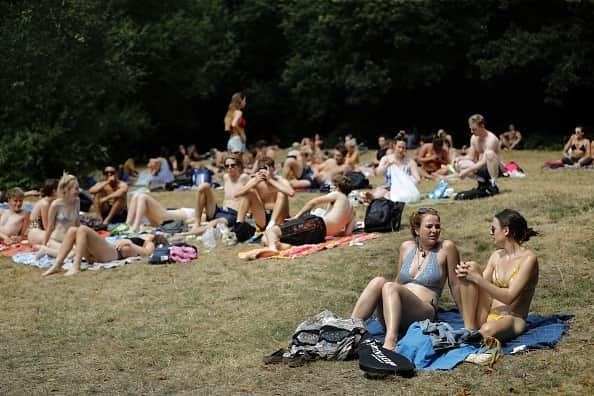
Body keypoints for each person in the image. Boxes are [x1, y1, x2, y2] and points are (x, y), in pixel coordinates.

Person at [351, 208, 461, 351]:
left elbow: (455, 284)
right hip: (395, 316)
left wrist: (465, 315)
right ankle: (349, 328)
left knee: (390, 287)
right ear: (417, 230)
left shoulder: (446, 248)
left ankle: (391, 341)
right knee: (378, 281)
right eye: (429, 226)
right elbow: (398, 281)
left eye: (437, 226)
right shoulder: (406, 247)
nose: (435, 230)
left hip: (423, 313)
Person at [456, 209, 538, 342]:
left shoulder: (528, 259)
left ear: (505, 231)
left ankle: (475, 336)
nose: (490, 233)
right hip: (487, 313)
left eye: (493, 229)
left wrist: (476, 278)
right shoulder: (496, 256)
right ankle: (469, 329)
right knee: (471, 266)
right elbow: (479, 289)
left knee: (487, 330)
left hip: (512, 318)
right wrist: (464, 275)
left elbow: (509, 297)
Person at [258, 174, 355, 256]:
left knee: (271, 231)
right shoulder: (352, 210)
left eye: (332, 186)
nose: (330, 188)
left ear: (337, 187)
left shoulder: (337, 195)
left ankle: (273, 249)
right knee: (265, 239)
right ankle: (283, 247)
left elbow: (313, 202)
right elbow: (347, 233)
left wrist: (297, 217)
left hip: (315, 224)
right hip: (319, 236)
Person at [42, 226, 168, 276]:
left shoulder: (149, 242)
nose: (148, 234)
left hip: (113, 253)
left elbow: (147, 253)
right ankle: (57, 264)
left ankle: (76, 265)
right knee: (72, 230)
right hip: (106, 252)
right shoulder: (144, 238)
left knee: (83, 230)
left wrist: (129, 243)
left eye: (151, 234)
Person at [181, 154, 249, 236]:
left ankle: (186, 234)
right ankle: (197, 223)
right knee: (204, 186)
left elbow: (255, 185)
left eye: (233, 165)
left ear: (239, 166)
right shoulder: (226, 177)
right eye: (227, 166)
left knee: (214, 222)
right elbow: (215, 173)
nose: (230, 168)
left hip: (233, 214)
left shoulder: (244, 178)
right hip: (220, 210)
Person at [235, 156, 294, 231]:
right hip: (262, 217)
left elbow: (291, 193)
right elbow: (236, 195)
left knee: (282, 193)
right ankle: (239, 225)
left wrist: (270, 180)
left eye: (267, 169)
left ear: (273, 169)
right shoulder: (256, 180)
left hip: (279, 218)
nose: (265, 172)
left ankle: (272, 223)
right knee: (249, 192)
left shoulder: (280, 181)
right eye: (262, 169)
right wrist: (253, 183)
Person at [454, 114, 502, 194]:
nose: (472, 132)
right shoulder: (473, 138)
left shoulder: (491, 139)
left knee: (489, 154)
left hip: (494, 168)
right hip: (480, 168)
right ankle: (482, 181)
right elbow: (471, 156)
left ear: (482, 126)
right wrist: (459, 158)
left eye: (474, 129)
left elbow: (484, 161)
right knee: (458, 163)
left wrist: (466, 171)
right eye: (471, 129)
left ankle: (494, 183)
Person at [36, 173, 81, 258]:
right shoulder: (56, 205)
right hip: (56, 240)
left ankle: (49, 250)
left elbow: (77, 223)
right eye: (76, 189)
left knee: (81, 251)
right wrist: (44, 243)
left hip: (70, 240)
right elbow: (50, 227)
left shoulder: (77, 201)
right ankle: (45, 249)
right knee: (71, 254)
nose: (78, 191)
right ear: (66, 189)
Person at [125, 193, 196, 232]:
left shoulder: (202, 215)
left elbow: (193, 222)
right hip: (162, 218)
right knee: (136, 195)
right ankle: (127, 225)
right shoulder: (196, 210)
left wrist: (187, 225)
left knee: (142, 197)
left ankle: (135, 226)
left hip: (166, 218)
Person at [27, 179, 59, 245]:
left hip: (40, 231)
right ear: (54, 191)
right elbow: (46, 227)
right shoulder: (45, 204)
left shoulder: (51, 202)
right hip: (35, 232)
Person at [224, 92, 247, 157]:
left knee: (237, 163)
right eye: (244, 101)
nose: (245, 103)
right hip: (237, 140)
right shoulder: (239, 112)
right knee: (237, 163)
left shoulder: (230, 113)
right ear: (240, 101)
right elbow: (234, 124)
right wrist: (241, 134)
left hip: (232, 139)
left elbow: (228, 128)